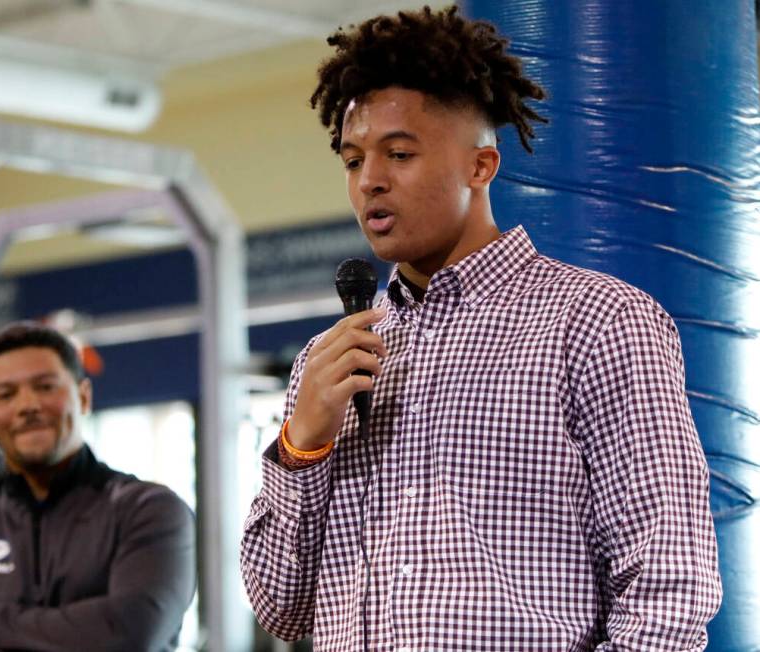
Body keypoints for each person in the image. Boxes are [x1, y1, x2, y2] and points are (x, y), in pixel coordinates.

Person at [241, 6, 722, 650]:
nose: (370, 182)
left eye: (400, 153)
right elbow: (282, 611)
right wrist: (301, 445)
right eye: (353, 161)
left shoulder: (597, 322)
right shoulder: (329, 362)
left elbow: (670, 586)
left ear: (482, 166)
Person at [0, 322, 195, 651]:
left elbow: (131, 633)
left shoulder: (149, 511)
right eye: (6, 394)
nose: (27, 406)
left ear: (83, 397)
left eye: (45, 387)